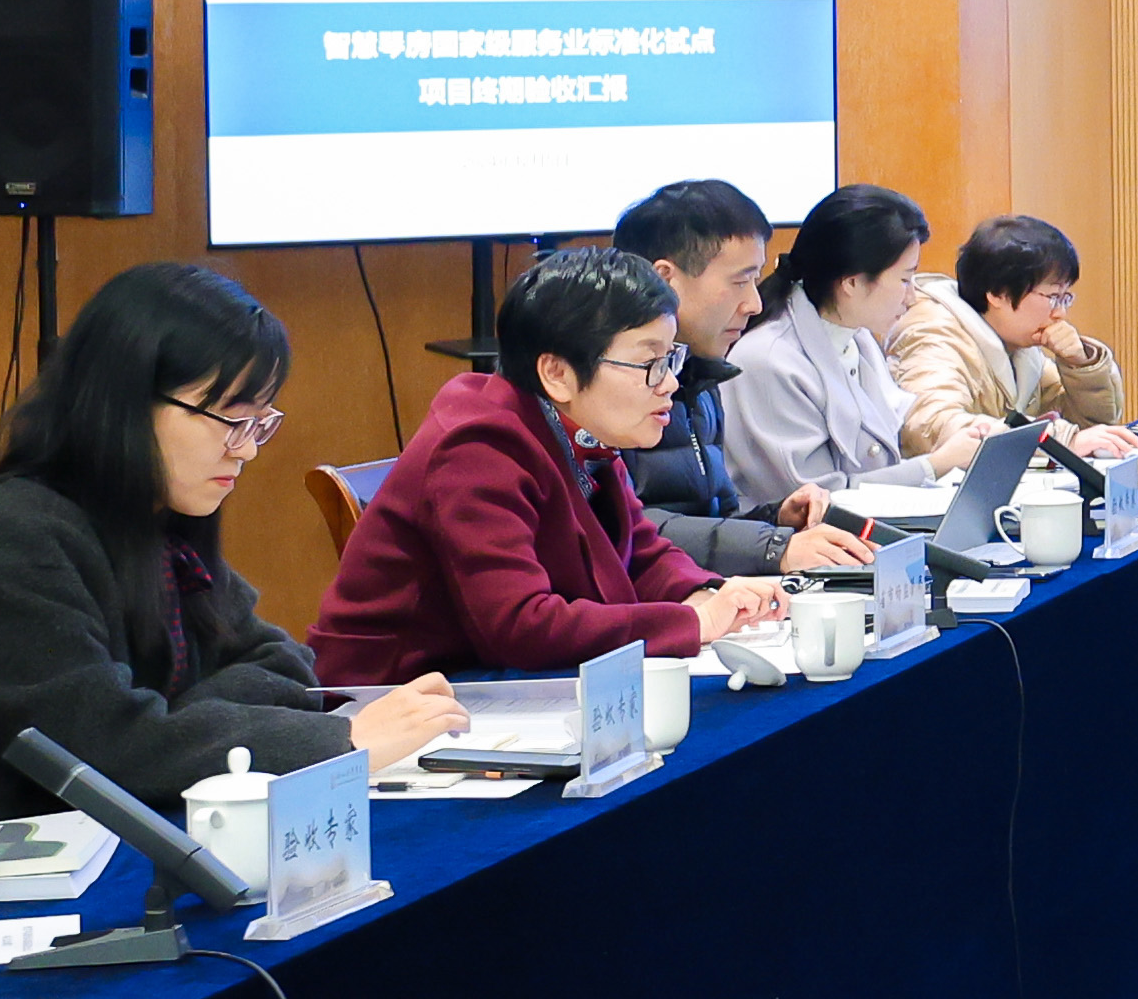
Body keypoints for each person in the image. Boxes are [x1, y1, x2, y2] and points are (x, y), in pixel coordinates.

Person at [0, 265, 468, 808]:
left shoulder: (155, 516)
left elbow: (282, 660)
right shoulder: (11, 539)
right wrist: (342, 740)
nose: (247, 450)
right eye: (230, 419)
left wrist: (178, 721)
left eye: (260, 422)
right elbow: (107, 754)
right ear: (126, 403)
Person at [309, 249, 785, 683]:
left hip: (496, 685)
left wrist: (703, 594)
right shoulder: (477, 448)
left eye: (670, 359)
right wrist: (692, 622)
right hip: (398, 697)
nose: (669, 385)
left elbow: (640, 551)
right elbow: (520, 626)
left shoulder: (578, 427)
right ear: (557, 373)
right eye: (649, 364)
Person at [606, 181, 866, 583]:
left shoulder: (701, 375)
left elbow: (713, 520)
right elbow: (621, 531)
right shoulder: (608, 381)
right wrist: (772, 545)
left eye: (755, 280)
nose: (755, 304)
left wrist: (778, 518)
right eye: (739, 281)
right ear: (665, 279)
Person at [720, 180, 932, 506]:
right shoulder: (768, 359)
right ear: (852, 282)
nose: (912, 297)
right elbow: (812, 500)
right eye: (905, 279)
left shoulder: (858, 338)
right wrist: (934, 466)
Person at [892, 215, 1137, 467]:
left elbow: (1094, 428)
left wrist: (1080, 365)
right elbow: (933, 426)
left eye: (1065, 298)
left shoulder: (1019, 344)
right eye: (1053, 297)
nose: (1060, 313)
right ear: (998, 293)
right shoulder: (933, 336)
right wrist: (1062, 441)